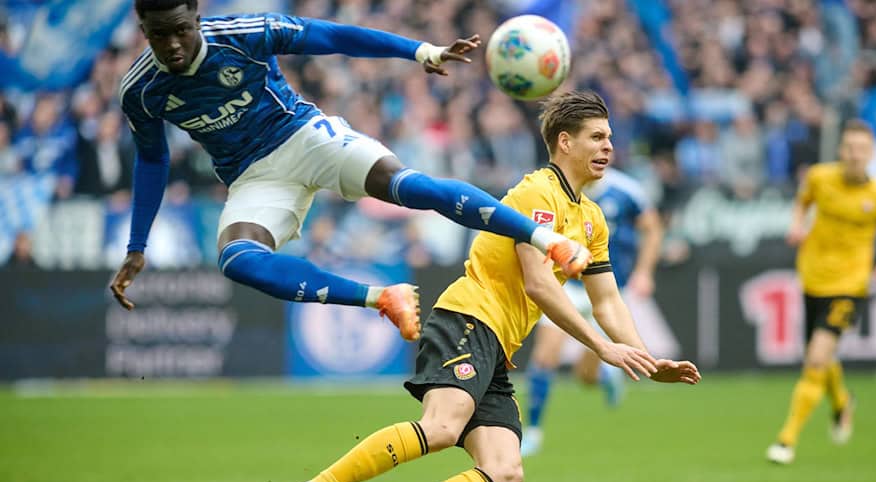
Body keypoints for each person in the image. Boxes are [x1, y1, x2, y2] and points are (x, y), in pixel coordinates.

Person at [267, 91, 701, 482]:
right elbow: (539, 284)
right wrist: (602, 347)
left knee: (505, 469)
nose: (608, 147)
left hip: (498, 344)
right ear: (564, 143)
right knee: (441, 427)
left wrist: (645, 358)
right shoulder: (538, 194)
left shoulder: (592, 219)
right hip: (468, 318)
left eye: (610, 137)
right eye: (596, 137)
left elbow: (608, 299)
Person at [109, 0, 592, 340]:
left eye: (180, 29)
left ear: (196, 13)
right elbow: (153, 159)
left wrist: (420, 51)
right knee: (237, 260)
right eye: (158, 34)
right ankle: (383, 297)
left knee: (408, 186)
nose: (172, 44)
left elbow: (334, 36)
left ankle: (550, 241)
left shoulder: (244, 34)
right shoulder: (141, 90)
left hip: (305, 137)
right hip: (254, 178)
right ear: (142, 29)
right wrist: (137, 246)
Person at [766, 119, 876, 465]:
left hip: (849, 286)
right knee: (819, 357)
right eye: (850, 148)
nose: (855, 155)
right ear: (841, 150)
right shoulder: (819, 177)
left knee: (815, 360)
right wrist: (797, 225)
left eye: (862, 149)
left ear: (871, 154)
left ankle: (786, 440)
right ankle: (842, 403)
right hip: (812, 279)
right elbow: (803, 202)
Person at [520, 166, 664, 456]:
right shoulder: (553, 189)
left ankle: (604, 377)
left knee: (584, 376)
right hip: (566, 286)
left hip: (607, 289)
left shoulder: (625, 191)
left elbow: (653, 228)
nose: (602, 150)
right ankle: (533, 432)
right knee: (544, 358)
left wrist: (645, 272)